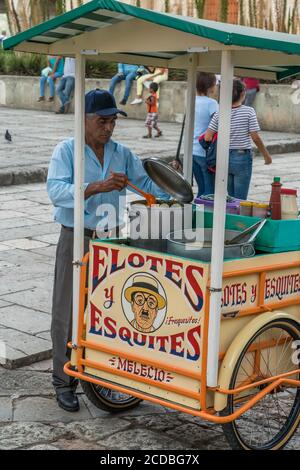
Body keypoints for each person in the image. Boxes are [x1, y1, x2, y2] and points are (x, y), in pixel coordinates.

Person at [47, 89, 168, 412]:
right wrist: (96, 187)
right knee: (67, 311)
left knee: (105, 309)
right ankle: (63, 380)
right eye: (103, 121)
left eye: (113, 122)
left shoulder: (121, 153)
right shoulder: (67, 150)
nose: (109, 128)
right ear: (84, 120)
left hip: (110, 240)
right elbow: (55, 190)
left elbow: (147, 183)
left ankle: (100, 375)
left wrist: (174, 185)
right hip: (76, 236)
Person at [205, 79, 272, 200]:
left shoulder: (220, 112)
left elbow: (207, 137)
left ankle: (231, 217)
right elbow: (255, 137)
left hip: (223, 157)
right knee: (240, 199)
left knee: (231, 198)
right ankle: (239, 218)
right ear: (242, 94)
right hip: (241, 157)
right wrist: (266, 155)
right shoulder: (249, 111)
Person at [193, 72, 219, 197]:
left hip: (192, 151)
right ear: (210, 86)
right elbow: (218, 124)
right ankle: (205, 216)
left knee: (201, 189)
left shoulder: (191, 101)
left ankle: (197, 216)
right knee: (209, 192)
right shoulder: (212, 103)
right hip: (205, 152)